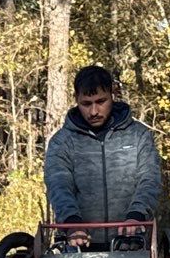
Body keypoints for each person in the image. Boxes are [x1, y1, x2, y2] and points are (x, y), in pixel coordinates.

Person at [44, 65, 162, 226]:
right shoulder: (62, 141)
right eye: (86, 104)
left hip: (134, 241)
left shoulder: (139, 135)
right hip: (77, 242)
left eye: (101, 101)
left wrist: (136, 216)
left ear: (113, 95)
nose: (93, 111)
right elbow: (58, 185)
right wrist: (72, 223)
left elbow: (149, 179)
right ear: (76, 99)